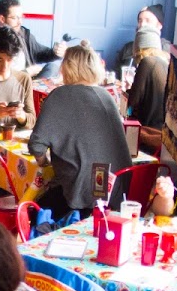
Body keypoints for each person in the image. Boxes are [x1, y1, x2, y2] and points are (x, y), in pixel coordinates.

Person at [27, 41, 132, 218]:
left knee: (36, 211)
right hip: (116, 191)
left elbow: (36, 145)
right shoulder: (106, 96)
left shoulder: (60, 95)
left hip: (81, 194)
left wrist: (44, 162)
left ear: (67, 67)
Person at [0, 0, 65, 79]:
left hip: (28, 81)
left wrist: (56, 53)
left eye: (21, 17)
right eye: (15, 18)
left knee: (52, 67)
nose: (20, 22)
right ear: (2, 19)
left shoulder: (23, 34)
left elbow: (40, 53)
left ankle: (33, 89)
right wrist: (27, 72)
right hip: (6, 86)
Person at [125, 27, 168, 153]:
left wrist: (128, 90)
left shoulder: (147, 63)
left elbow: (132, 102)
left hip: (147, 133)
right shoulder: (165, 64)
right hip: (160, 133)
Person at [114, 4, 172, 73]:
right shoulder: (128, 48)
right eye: (140, 21)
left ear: (159, 25)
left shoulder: (166, 49)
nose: (142, 24)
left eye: (147, 20)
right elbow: (116, 73)